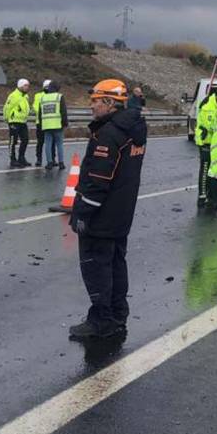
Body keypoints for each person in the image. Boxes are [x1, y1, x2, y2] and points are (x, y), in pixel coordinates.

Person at [68, 79, 147, 340]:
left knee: (96, 267)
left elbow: (98, 181)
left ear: (110, 103)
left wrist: (81, 213)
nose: (91, 106)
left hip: (102, 217)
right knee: (116, 263)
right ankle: (117, 314)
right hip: (121, 214)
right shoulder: (133, 128)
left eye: (95, 101)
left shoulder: (110, 134)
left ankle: (101, 321)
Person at [193, 91, 217, 208]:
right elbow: (211, 126)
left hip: (213, 142)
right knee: (205, 169)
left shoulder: (214, 104)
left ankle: (211, 195)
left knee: (212, 171)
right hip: (206, 142)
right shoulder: (209, 107)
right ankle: (202, 196)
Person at [40, 80, 69, 170]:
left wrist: (41, 124)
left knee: (48, 144)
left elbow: (40, 113)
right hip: (57, 125)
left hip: (46, 125)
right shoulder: (59, 97)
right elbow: (63, 111)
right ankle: (61, 163)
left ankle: (49, 163)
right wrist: (65, 123)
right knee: (59, 144)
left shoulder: (43, 98)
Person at [4, 79, 31, 168]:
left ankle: (21, 158)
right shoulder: (13, 95)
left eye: (28, 86)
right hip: (14, 121)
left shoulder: (26, 96)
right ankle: (13, 159)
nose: (27, 87)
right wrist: (7, 118)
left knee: (25, 139)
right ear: (20, 86)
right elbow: (7, 107)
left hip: (23, 121)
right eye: (25, 85)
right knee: (13, 141)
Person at [33, 79, 51, 166]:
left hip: (51, 122)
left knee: (51, 142)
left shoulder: (54, 95)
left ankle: (51, 159)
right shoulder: (38, 96)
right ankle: (39, 159)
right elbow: (36, 107)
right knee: (40, 142)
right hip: (40, 122)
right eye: (47, 87)